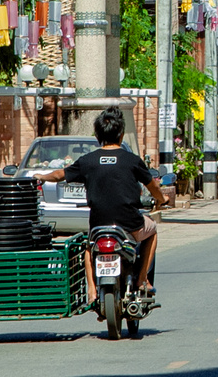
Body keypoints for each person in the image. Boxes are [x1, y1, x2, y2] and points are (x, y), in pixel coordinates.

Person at [29, 107, 166, 306]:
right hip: (130, 225)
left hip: (99, 225)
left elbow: (60, 175)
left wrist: (41, 176)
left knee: (89, 248)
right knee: (152, 230)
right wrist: (161, 200)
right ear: (120, 135)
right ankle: (142, 278)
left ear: (98, 136)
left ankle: (92, 290)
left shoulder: (88, 161)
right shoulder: (132, 160)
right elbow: (152, 185)